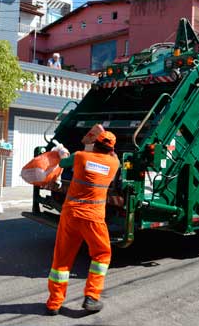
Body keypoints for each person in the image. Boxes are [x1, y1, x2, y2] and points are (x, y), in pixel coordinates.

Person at [46, 131, 120, 315]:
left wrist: (63, 153)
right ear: (111, 149)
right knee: (101, 254)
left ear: (95, 144)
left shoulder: (80, 156)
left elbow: (62, 163)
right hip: (93, 218)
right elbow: (113, 155)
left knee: (62, 258)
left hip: (71, 214)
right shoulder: (114, 163)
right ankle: (92, 297)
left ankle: (54, 303)